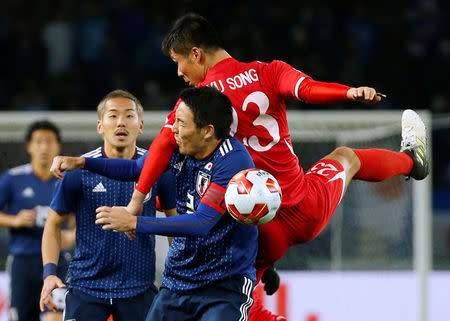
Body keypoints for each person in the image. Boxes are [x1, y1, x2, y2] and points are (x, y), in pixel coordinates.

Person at [51, 14, 430, 321]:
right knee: (348, 156)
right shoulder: (270, 71)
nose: (179, 72)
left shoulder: (199, 106)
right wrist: (348, 92)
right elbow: (309, 89)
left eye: (179, 62)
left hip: (255, 224)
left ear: (196, 54)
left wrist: (135, 207)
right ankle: (412, 161)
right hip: (301, 206)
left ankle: (266, 274)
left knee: (236, 287)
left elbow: (161, 150)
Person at [62, 86, 258, 321]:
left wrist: (134, 222)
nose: (173, 129)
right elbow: (137, 169)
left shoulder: (232, 160)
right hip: (178, 281)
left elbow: (201, 222)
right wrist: (82, 162)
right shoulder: (178, 148)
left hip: (224, 285)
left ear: (207, 131)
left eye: (182, 123)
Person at [39, 89, 177, 321]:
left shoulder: (159, 170)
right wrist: (49, 273)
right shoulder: (78, 170)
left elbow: (175, 225)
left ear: (141, 125)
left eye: (129, 116)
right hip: (86, 288)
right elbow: (53, 224)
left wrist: (177, 277)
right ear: (100, 126)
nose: (121, 122)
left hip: (140, 290)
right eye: (112, 116)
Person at [0, 120, 74, 321]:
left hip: (57, 262)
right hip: (23, 263)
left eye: (49, 142)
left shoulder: (67, 179)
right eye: (39, 141)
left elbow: (79, 216)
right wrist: (15, 220)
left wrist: (72, 234)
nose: (44, 147)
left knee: (56, 317)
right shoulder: (13, 179)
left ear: (58, 146)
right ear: (29, 146)